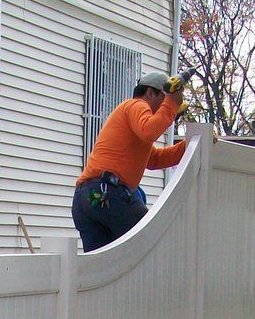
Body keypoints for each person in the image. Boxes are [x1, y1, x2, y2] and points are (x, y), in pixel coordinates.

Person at [72, 72, 188, 252]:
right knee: (152, 240)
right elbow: (149, 130)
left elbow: (154, 159)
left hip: (86, 198)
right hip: (107, 193)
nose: (165, 108)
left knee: (103, 266)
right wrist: (172, 102)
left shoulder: (131, 123)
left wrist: (188, 146)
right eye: (163, 100)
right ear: (150, 93)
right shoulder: (136, 105)